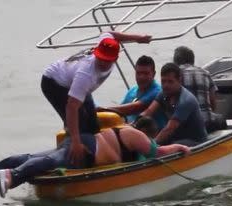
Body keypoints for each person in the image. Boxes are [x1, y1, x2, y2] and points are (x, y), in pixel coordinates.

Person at [0, 118, 190, 198]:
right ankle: (13, 176)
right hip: (89, 149)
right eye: (150, 139)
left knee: (36, 156)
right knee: (51, 161)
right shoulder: (136, 135)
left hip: (89, 148)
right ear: (146, 133)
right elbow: (158, 152)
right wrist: (179, 146)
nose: (149, 144)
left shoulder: (126, 133)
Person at [41, 31, 152, 168]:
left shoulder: (106, 44)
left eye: (107, 60)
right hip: (54, 82)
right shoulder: (86, 74)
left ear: (115, 59)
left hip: (78, 83)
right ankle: (72, 155)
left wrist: (138, 38)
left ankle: (94, 155)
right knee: (80, 125)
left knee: (93, 125)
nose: (103, 62)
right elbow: (72, 107)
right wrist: (76, 141)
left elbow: (108, 33)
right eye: (100, 58)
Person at [139, 63, 208, 146]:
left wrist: (152, 147)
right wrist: (134, 125)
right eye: (163, 81)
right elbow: (148, 111)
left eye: (170, 82)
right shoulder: (163, 93)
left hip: (195, 141)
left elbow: (169, 129)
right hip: (176, 137)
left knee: (170, 144)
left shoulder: (186, 101)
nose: (166, 85)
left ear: (179, 80)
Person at [101, 55, 165, 129]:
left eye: (146, 73)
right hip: (129, 128)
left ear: (153, 74)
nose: (141, 77)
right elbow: (119, 112)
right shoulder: (132, 90)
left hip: (150, 135)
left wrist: (101, 109)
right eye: (138, 73)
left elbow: (132, 108)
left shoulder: (157, 91)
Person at [173, 46, 227, 132]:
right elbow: (213, 103)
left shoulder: (174, 75)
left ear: (175, 61)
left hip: (184, 126)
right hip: (207, 124)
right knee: (221, 118)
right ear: (192, 60)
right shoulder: (205, 73)